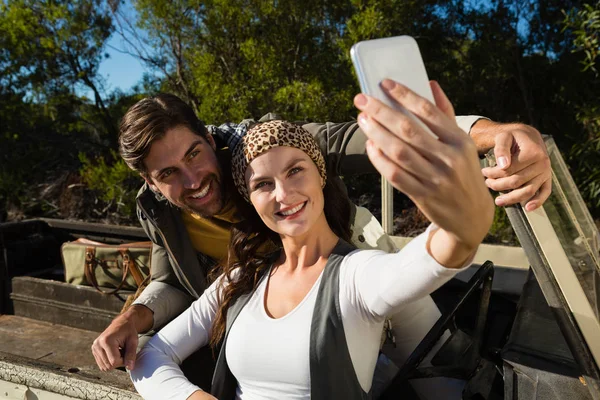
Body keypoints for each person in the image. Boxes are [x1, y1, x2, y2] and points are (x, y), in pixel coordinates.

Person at [92, 82, 550, 392]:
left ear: (210, 138)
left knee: (434, 356)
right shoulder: (203, 249)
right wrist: (129, 321)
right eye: (169, 173)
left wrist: (496, 137)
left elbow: (361, 139)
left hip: (347, 264)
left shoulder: (262, 146)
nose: (193, 180)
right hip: (262, 289)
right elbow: (168, 282)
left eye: (195, 154)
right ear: (151, 184)